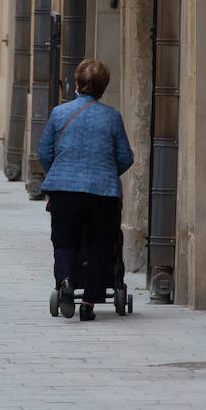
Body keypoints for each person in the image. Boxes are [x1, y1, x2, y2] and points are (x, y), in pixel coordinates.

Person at [38, 58, 135, 321]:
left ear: (77, 84)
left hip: (64, 191)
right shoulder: (112, 118)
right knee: (100, 246)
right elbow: (126, 157)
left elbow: (44, 152)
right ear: (103, 88)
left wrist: (60, 173)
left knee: (64, 241)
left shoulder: (59, 114)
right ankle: (89, 303)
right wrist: (104, 172)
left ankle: (67, 280)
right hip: (102, 193)